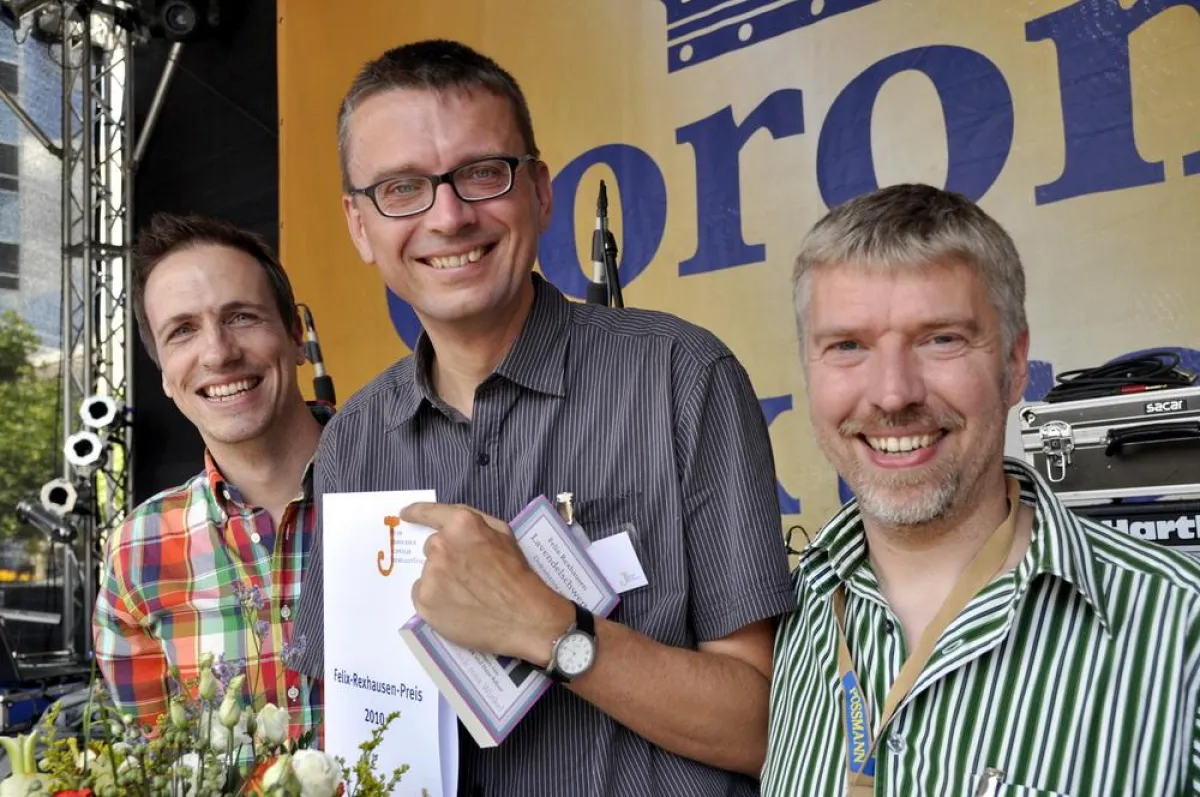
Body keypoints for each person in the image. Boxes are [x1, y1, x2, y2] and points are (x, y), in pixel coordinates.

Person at [290, 39, 794, 795]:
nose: (450, 216)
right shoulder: (352, 442)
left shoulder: (682, 378)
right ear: (360, 226)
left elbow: (764, 729)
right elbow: (357, 726)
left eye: (482, 173)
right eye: (401, 189)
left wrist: (549, 630)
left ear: (541, 192)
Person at [762, 183, 1200, 796]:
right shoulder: (790, 621)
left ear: (1016, 364)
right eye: (848, 346)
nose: (893, 394)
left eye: (940, 339)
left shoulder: (1182, 628)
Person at [94, 213, 327, 740]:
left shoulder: (408, 486)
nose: (219, 353)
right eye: (182, 331)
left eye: (242, 316)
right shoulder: (139, 549)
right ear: (165, 376)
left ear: (296, 336)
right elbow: (153, 765)